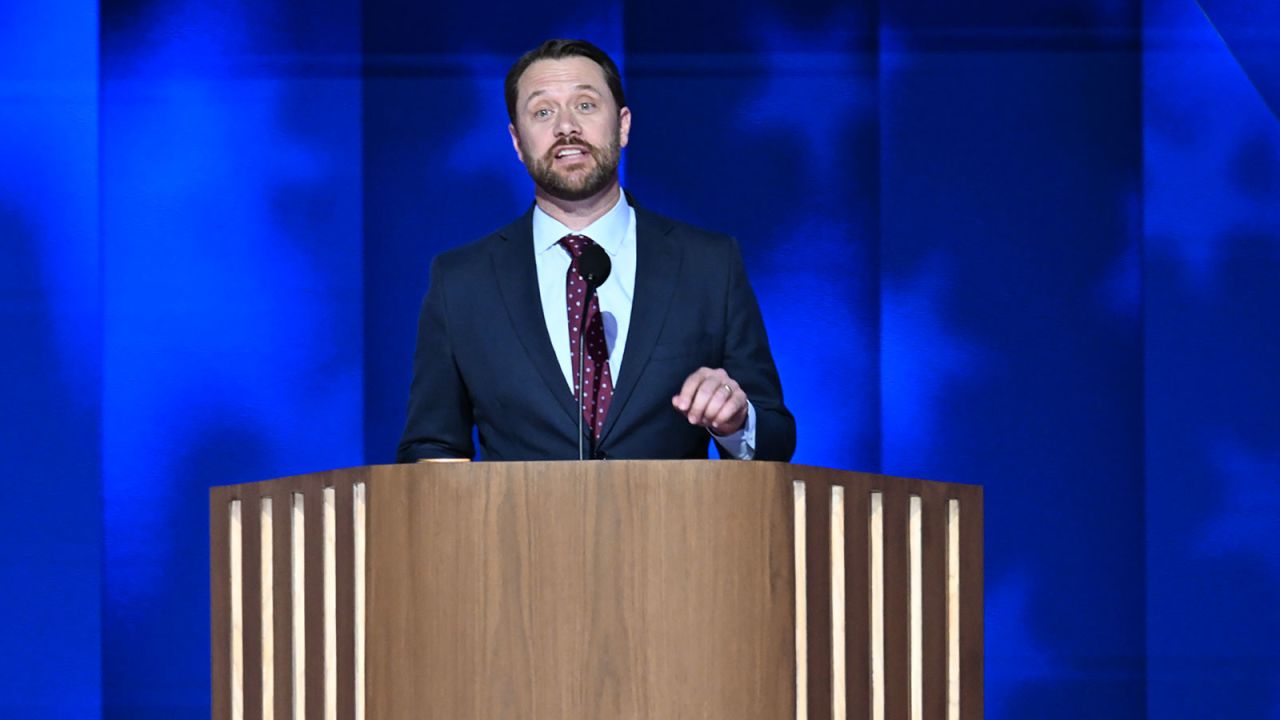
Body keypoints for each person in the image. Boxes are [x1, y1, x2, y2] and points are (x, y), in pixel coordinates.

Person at [397, 39, 795, 462]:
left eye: (585, 105)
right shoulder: (461, 281)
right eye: (543, 112)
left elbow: (775, 437)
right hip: (519, 528)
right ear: (516, 141)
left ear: (622, 126)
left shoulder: (709, 265)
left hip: (674, 525)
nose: (566, 127)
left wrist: (736, 421)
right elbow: (431, 444)